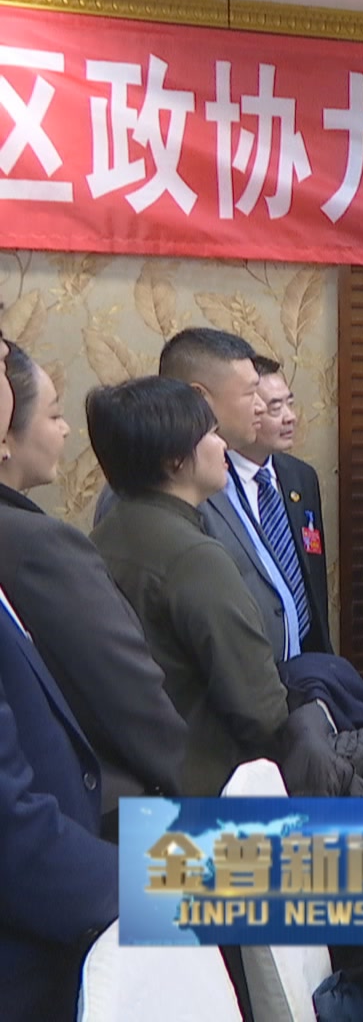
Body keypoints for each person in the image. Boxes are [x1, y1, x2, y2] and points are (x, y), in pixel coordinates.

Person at [0, 340, 185, 828]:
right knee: (339, 862)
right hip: (103, 809)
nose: (65, 430)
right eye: (54, 415)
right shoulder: (42, 545)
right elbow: (127, 690)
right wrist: (190, 786)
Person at [89, 377, 290, 796]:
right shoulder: (194, 557)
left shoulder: (103, 534)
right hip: (206, 789)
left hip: (130, 779)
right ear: (175, 460)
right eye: (211, 434)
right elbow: (260, 708)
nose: (224, 446)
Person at [0, 334, 117, 1022]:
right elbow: (14, 836)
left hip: (74, 865)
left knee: (359, 873)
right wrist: (194, 887)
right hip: (29, 960)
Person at [98, 328, 309, 662]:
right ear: (200, 397)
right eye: (250, 394)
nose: (260, 407)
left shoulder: (230, 467)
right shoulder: (148, 486)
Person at [231, 356, 332, 654]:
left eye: (290, 403)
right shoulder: (213, 482)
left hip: (306, 654)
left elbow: (313, 572)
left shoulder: (300, 476)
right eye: (275, 408)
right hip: (248, 653)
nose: (290, 417)